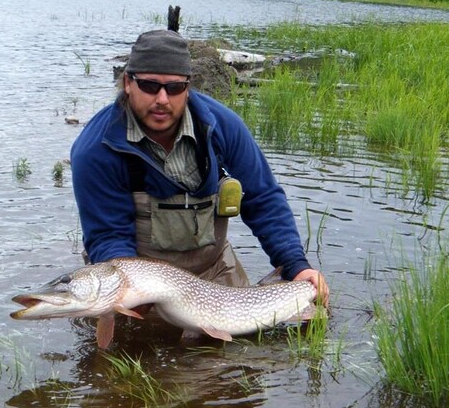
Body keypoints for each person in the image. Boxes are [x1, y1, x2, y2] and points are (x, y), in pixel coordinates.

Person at [70, 29, 327, 301]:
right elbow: (109, 236)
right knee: (128, 339)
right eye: (149, 85)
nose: (162, 99)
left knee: (247, 336)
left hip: (214, 271)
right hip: (140, 282)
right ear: (128, 83)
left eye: (174, 88)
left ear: (188, 87)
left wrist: (297, 266)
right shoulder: (96, 150)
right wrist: (129, 295)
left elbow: (262, 199)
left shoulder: (222, 126)